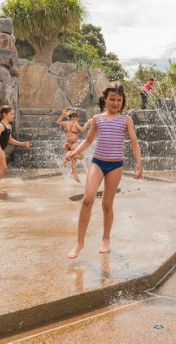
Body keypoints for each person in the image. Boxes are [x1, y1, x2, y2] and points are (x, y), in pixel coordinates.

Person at [65, 82, 143, 258]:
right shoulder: (97, 119)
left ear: (123, 101)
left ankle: (106, 238)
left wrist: (139, 163)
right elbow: (88, 140)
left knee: (107, 204)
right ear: (105, 99)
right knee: (87, 199)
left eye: (119, 100)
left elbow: (134, 142)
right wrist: (74, 152)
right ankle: (79, 243)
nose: (116, 103)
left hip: (115, 165)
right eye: (112, 99)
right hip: (98, 163)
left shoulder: (126, 120)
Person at [0, 105, 31, 194]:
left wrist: (22, 144)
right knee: (3, 168)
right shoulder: (0, 126)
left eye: (13, 114)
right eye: (11, 114)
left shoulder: (8, 126)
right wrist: (0, 152)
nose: (13, 115)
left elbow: (10, 140)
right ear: (4, 115)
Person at [56, 109, 91, 182]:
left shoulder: (66, 123)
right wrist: (87, 122)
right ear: (73, 118)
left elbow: (58, 122)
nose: (78, 119)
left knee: (73, 161)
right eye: (77, 118)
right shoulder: (75, 123)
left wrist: (62, 116)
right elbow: (83, 129)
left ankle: (75, 176)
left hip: (67, 144)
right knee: (81, 156)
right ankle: (68, 157)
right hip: (73, 144)